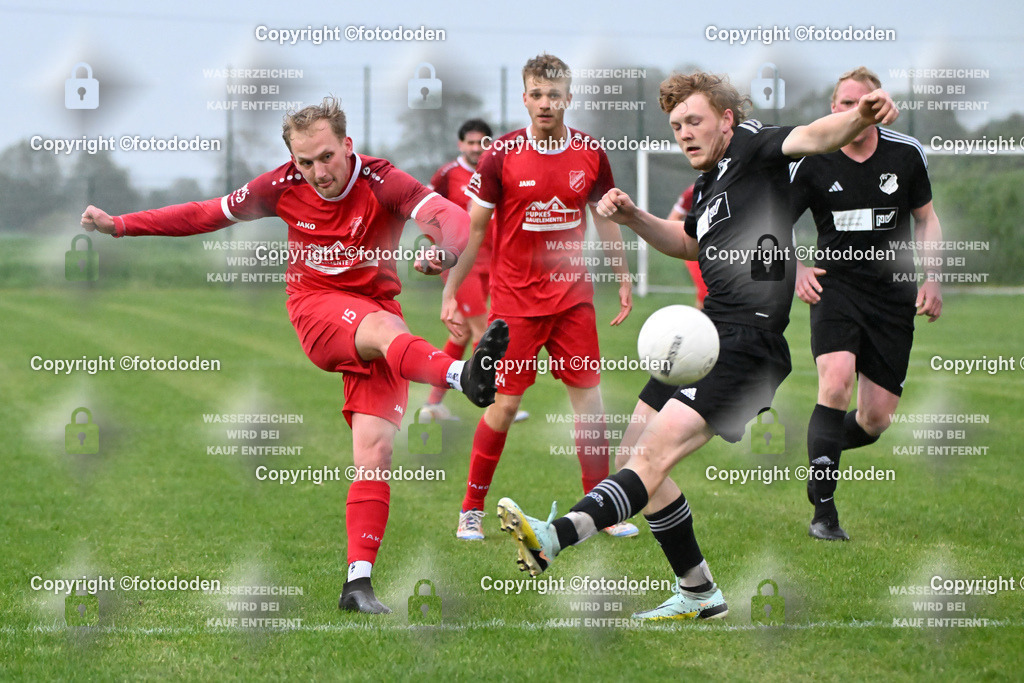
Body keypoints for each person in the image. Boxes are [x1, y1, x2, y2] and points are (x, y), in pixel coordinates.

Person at [79, 96, 508, 614]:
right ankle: (463, 377)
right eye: (305, 162)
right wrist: (120, 225)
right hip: (317, 310)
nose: (318, 173)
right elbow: (204, 213)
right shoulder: (280, 186)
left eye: (326, 157)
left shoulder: (382, 180)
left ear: (347, 145)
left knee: (375, 451)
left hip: (377, 313)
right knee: (385, 329)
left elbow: (451, 218)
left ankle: (357, 585)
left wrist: (443, 251)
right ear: (292, 160)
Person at [495, 70, 898, 620]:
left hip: (748, 345)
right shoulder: (709, 184)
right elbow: (688, 243)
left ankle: (555, 537)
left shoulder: (754, 146)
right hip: (705, 338)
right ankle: (698, 590)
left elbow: (814, 135)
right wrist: (635, 217)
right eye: (676, 125)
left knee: (652, 455)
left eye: (694, 121)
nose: (684, 133)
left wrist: (859, 116)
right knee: (633, 456)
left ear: (726, 120)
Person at [442, 53, 637, 541]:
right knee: (504, 407)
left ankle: (601, 512)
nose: (545, 103)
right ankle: (471, 509)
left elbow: (606, 218)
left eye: (554, 95)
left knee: (589, 405)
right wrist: (450, 288)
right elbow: (474, 229)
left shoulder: (590, 152)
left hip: (573, 300)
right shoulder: (500, 155)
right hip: (515, 305)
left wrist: (623, 275)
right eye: (536, 94)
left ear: (568, 98)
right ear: (524, 98)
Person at [790, 67, 942, 540]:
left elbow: (926, 219)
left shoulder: (905, 153)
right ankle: (824, 512)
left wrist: (933, 278)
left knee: (875, 420)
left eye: (863, 102)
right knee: (835, 383)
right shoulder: (812, 157)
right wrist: (797, 269)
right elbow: (772, 221)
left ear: (877, 107)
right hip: (835, 288)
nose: (853, 110)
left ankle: (821, 453)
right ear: (833, 108)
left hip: (893, 297)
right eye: (844, 103)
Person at [419, 118, 529, 425]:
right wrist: (438, 246)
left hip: (494, 263)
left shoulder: (497, 171)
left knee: (463, 332)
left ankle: (432, 404)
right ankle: (501, 404)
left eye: (482, 142)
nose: (476, 148)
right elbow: (425, 210)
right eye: (470, 142)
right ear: (461, 145)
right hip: (462, 264)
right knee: (485, 332)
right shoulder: (447, 174)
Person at [667, 184, 708, 310]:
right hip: (698, 251)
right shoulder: (697, 188)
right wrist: (695, 231)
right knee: (705, 295)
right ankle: (700, 322)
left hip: (725, 250)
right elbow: (673, 218)